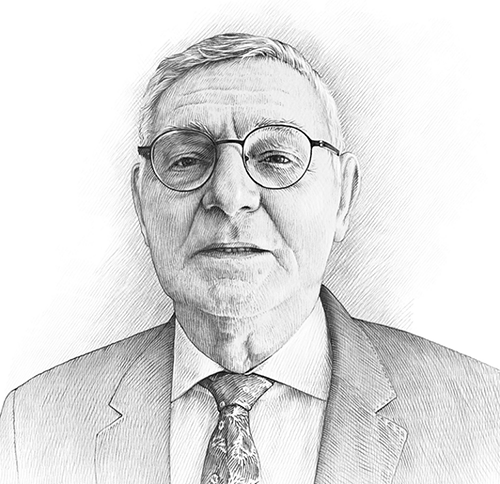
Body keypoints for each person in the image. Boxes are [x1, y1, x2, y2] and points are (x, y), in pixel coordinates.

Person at [0, 33, 499, 484]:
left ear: (343, 197)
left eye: (276, 158)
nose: (230, 194)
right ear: (141, 202)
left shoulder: (483, 417)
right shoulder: (34, 423)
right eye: (187, 160)